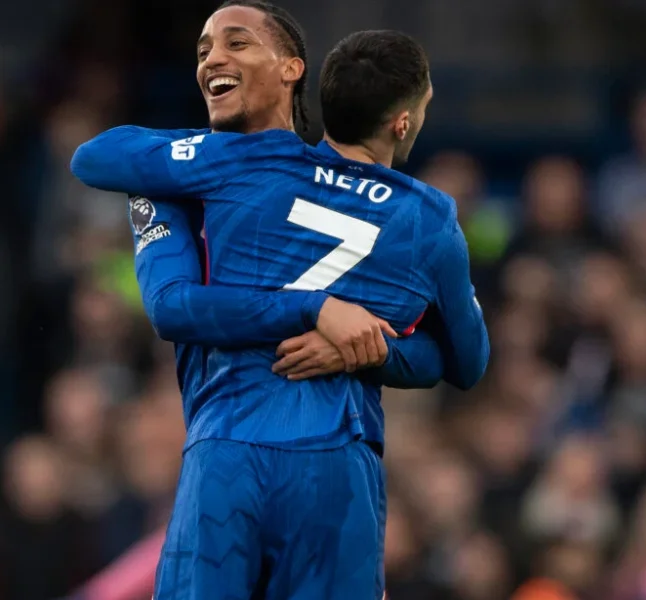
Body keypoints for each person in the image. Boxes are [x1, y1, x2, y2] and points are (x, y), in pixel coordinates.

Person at [74, 9, 489, 600]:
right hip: (336, 465)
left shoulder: (233, 166)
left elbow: (97, 159)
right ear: (404, 121)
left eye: (236, 42)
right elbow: (460, 361)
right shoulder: (424, 213)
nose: (212, 59)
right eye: (201, 51)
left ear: (295, 71)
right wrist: (335, 326)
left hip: (230, 451)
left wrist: (350, 343)